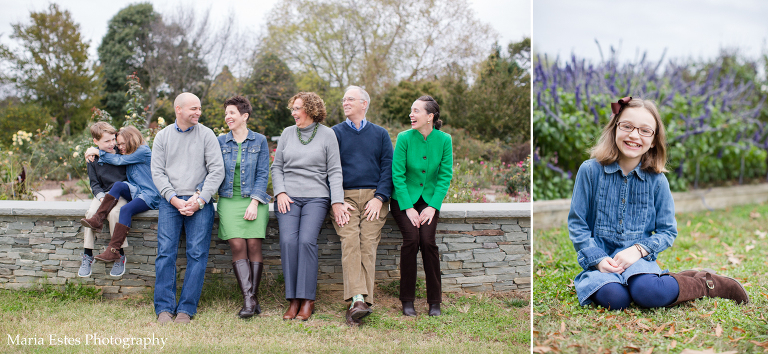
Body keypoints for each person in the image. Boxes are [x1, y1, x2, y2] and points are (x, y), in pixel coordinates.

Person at [568, 96, 749, 310]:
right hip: (601, 262)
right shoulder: (590, 171)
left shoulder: (657, 181)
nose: (634, 135)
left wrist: (637, 250)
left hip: (639, 261)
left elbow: (667, 231)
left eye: (645, 130)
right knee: (614, 300)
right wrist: (597, 259)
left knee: (650, 293)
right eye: (627, 126)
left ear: (654, 140)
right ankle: (622, 284)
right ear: (615, 128)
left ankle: (703, 283)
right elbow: (578, 224)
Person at [151, 92, 225, 324]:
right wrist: (173, 199)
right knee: (165, 253)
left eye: (199, 108)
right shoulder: (162, 137)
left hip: (200, 203)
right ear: (178, 109)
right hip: (170, 202)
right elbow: (157, 172)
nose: (198, 112)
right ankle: (164, 308)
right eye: (193, 108)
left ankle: (186, 309)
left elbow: (217, 171)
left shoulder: (207, 135)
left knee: (197, 254)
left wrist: (200, 200)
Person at [272, 92, 345, 321]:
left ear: (311, 110)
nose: (293, 113)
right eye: (292, 109)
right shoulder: (286, 134)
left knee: (306, 241)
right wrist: (280, 192)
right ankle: (293, 300)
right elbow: (277, 168)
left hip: (316, 197)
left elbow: (334, 170)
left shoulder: (327, 135)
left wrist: (337, 201)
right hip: (288, 197)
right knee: (288, 241)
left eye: (297, 109)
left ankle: (307, 300)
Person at [331, 86, 393, 326]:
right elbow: (330, 169)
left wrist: (380, 197)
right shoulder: (334, 133)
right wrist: (336, 201)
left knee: (368, 243)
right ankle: (360, 300)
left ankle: (359, 303)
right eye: (344, 99)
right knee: (350, 241)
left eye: (350, 99)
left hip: (373, 198)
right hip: (344, 198)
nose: (345, 102)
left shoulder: (380, 134)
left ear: (364, 103)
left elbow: (388, 167)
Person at [391, 95, 453, 317]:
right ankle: (407, 300)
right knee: (412, 241)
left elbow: (445, 176)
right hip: (403, 200)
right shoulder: (404, 138)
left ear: (430, 116)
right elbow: (397, 175)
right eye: (411, 110)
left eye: (416, 111)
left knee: (427, 242)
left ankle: (434, 302)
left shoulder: (445, 140)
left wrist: (432, 206)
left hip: (428, 201)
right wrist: (408, 207)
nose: (411, 114)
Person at [213, 96, 271, 318]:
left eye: (232, 113)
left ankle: (250, 300)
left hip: (253, 199)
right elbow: (213, 170)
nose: (227, 117)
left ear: (244, 116)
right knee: (238, 245)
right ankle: (250, 300)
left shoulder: (260, 141)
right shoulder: (220, 141)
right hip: (229, 199)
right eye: (226, 113)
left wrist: (255, 202)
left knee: (254, 245)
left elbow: (263, 173)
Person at [81, 126, 161, 277]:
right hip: (136, 191)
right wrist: (91, 150)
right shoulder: (126, 151)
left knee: (123, 210)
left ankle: (114, 250)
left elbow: (118, 160)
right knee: (118, 186)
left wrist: (96, 151)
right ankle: (97, 219)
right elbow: (95, 182)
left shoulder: (142, 151)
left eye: (122, 144)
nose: (119, 147)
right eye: (119, 144)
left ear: (132, 140)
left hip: (149, 194)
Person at [78, 122, 129, 278]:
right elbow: (94, 184)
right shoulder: (92, 158)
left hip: (120, 194)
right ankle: (88, 254)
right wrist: (101, 198)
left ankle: (119, 254)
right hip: (102, 195)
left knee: (115, 213)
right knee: (91, 213)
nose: (112, 144)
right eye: (107, 141)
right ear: (96, 142)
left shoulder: (121, 153)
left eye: (113, 139)